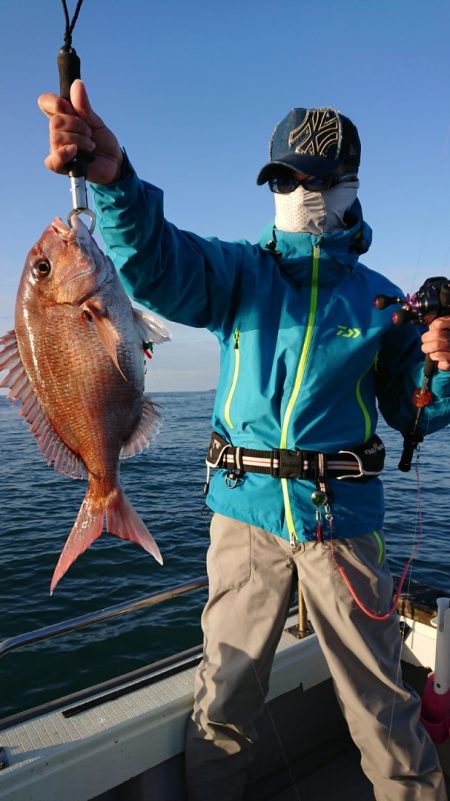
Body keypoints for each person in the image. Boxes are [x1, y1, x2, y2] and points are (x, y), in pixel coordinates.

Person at [39, 82, 450, 801]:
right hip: (244, 516)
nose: (302, 190)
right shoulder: (238, 273)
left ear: (351, 184)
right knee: (223, 702)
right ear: (270, 184)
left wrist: (441, 370)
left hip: (343, 525)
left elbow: (412, 411)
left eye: (319, 179)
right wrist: (115, 183)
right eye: (286, 177)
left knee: (383, 710)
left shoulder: (384, 301)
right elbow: (157, 263)